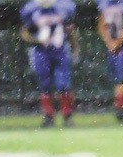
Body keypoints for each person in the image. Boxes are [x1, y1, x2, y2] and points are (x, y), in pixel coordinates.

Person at [20, 0, 80, 128]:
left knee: (64, 84)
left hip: (60, 50)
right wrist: (37, 39)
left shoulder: (64, 7)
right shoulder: (32, 9)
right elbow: (25, 32)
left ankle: (67, 115)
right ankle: (48, 116)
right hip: (41, 51)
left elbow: (71, 29)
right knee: (45, 85)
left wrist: (75, 47)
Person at [97, 0, 123, 121]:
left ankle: (122, 108)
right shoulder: (104, 4)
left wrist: (119, 41)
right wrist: (109, 41)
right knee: (118, 79)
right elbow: (101, 23)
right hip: (112, 46)